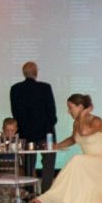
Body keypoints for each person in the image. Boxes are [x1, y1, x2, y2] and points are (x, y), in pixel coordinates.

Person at [31, 94, 102, 203]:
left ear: (81, 107)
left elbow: (83, 132)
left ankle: (49, 197)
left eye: (71, 107)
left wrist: (82, 115)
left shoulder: (96, 121)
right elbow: (74, 138)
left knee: (77, 160)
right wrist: (57, 146)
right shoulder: (76, 123)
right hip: (89, 162)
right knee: (78, 166)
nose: (69, 111)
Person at [10, 61, 59, 191]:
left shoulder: (15, 89)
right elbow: (52, 113)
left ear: (23, 73)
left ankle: (29, 193)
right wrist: (50, 126)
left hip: (25, 134)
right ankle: (46, 192)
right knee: (48, 165)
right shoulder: (45, 87)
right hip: (46, 133)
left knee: (28, 166)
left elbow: (15, 113)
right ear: (36, 73)